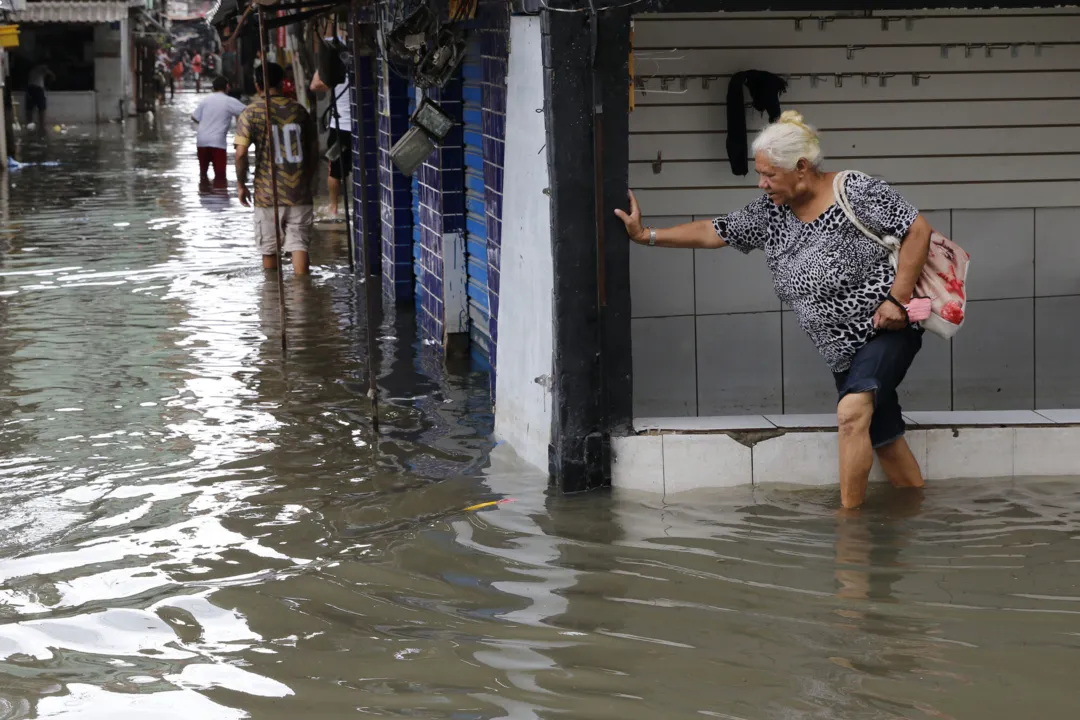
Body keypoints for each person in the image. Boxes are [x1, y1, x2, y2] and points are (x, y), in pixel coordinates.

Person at [616, 111, 933, 510]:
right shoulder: (771, 212)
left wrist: (897, 301)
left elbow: (916, 229)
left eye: (769, 175)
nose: (761, 183)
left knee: (851, 414)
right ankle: (917, 515)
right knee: (884, 442)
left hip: (885, 330)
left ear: (801, 167)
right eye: (759, 174)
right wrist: (647, 236)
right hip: (841, 354)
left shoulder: (854, 189)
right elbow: (717, 231)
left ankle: (850, 533)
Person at [234, 62, 318, 275]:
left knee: (270, 250)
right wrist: (308, 181)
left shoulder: (251, 113)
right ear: (282, 82)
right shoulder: (299, 110)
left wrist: (241, 184)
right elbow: (313, 151)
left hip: (267, 193)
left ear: (257, 84)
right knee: (299, 245)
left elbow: (241, 153)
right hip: (299, 191)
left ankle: (271, 300)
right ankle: (302, 297)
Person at [309, 63, 352, 219]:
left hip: (340, 128)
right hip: (358, 128)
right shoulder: (357, 70)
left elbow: (314, 85)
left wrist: (321, 66)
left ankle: (333, 207)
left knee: (335, 171)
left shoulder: (335, 72)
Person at [192, 76, 247, 189]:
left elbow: (194, 117)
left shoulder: (206, 100)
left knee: (203, 174)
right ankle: (219, 200)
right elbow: (249, 112)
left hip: (201, 141)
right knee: (220, 176)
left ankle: (205, 193)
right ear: (227, 87)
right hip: (218, 143)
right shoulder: (229, 101)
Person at [25, 61, 55, 134]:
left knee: (30, 108)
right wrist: (52, 78)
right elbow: (51, 74)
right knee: (41, 108)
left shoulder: (32, 70)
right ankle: (41, 127)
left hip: (30, 88)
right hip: (38, 89)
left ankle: (30, 126)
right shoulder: (41, 67)